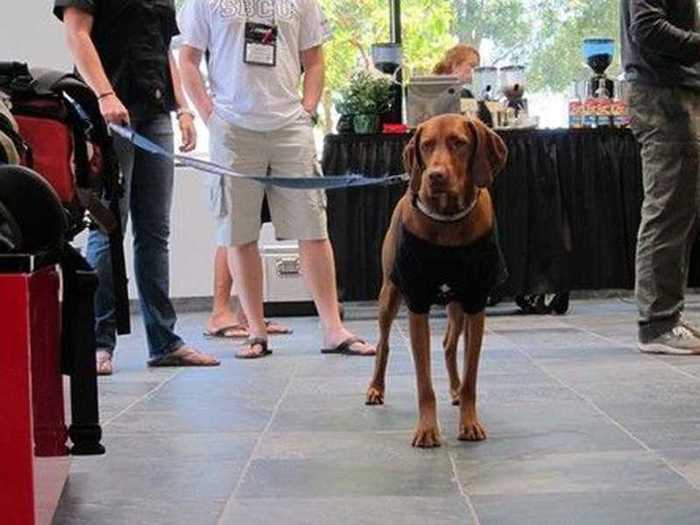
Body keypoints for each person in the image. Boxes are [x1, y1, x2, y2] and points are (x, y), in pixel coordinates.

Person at [178, 0, 375, 358]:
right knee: (239, 233)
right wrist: (210, 116)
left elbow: (314, 60)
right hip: (233, 128)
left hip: (290, 127)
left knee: (313, 228)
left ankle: (333, 328)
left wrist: (308, 109)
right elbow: (187, 60)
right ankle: (255, 330)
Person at [54, 0, 220, 373]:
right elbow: (76, 33)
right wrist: (104, 94)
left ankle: (165, 342)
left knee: (155, 231)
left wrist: (183, 109)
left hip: (155, 112)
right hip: (108, 112)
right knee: (108, 227)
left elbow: (163, 49)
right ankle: (99, 343)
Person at [622, 0, 700, 354]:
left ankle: (666, 317)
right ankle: (657, 324)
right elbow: (648, 28)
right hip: (662, 93)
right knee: (668, 208)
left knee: (678, 208)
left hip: (672, 90)